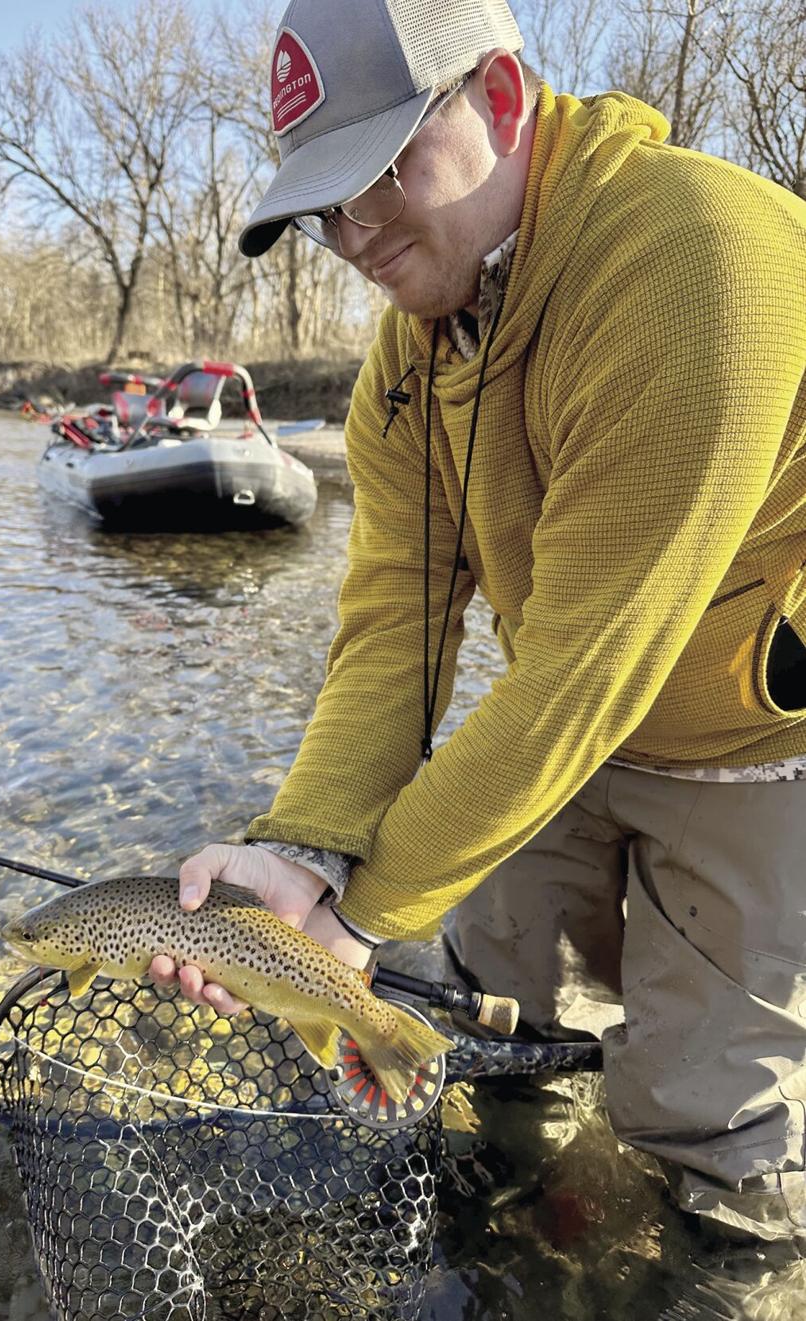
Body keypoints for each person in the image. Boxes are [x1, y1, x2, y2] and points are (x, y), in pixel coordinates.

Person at [149, 0, 806, 1260]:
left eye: (380, 173)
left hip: (756, 735)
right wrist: (310, 853)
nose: (351, 234)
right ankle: (525, 1235)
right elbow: (393, 624)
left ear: (500, 98)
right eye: (322, 203)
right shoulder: (407, 359)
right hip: (566, 725)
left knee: (712, 1109)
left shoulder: (692, 261)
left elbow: (580, 673)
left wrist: (353, 931)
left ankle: (739, 1265)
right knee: (498, 1025)